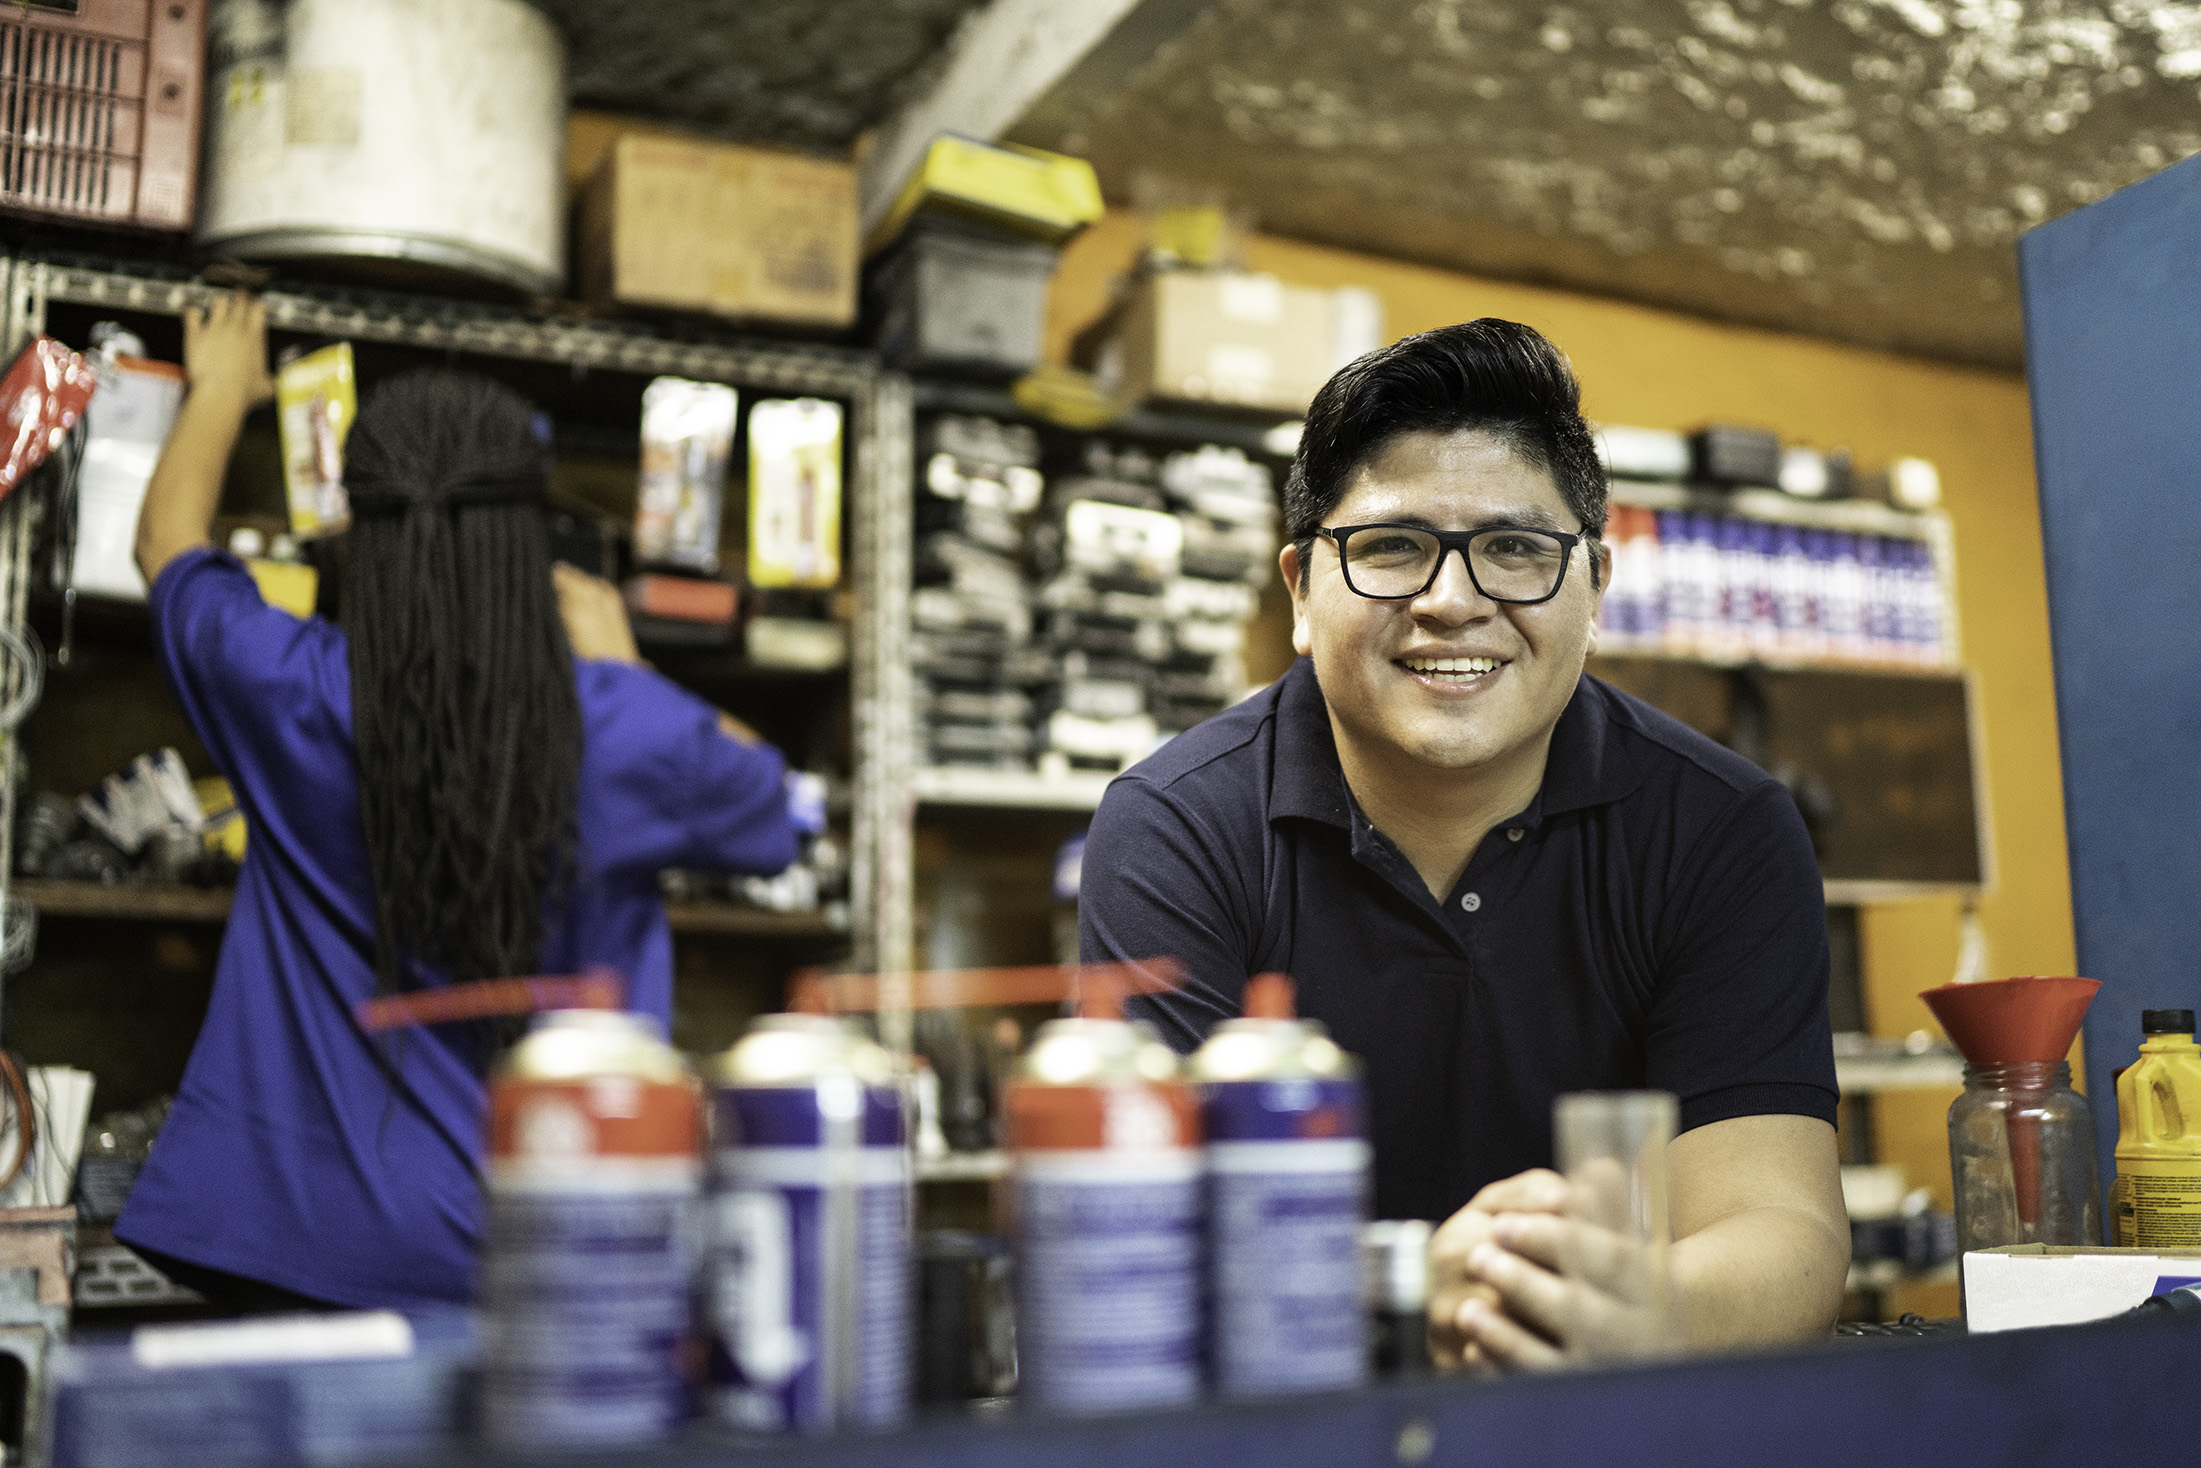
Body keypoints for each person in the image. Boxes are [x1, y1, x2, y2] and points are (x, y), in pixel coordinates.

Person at [1079, 319, 1848, 1369]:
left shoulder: (1719, 830)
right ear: (1300, 591)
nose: (1452, 602)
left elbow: (1785, 1234)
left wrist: (1632, 1306)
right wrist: (1398, 1288)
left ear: (1595, 588)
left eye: (1515, 549)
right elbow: (1130, 1250)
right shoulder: (1174, 827)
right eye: (1391, 547)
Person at [114, 295, 801, 1311]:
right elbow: (776, 807)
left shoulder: (289, 685)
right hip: (544, 1241)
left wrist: (220, 392)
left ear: (360, 529)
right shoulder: (617, 725)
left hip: (295, 1245)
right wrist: (625, 665)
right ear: (527, 537)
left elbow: (166, 546)